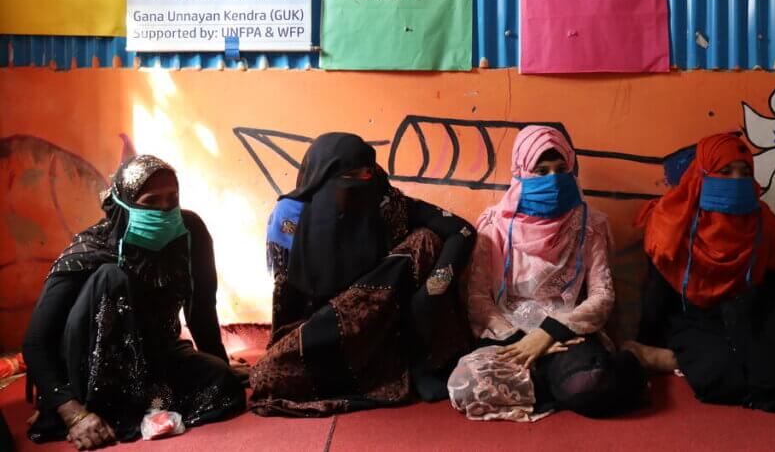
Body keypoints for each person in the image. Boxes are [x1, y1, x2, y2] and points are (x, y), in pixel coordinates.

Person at [622, 133, 775, 413]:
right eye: (725, 172)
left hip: (751, 316)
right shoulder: (672, 222)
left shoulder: (762, 223)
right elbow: (659, 290)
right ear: (702, 175)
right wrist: (644, 345)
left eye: (745, 172)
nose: (737, 181)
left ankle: (680, 361)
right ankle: (668, 358)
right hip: (696, 317)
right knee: (721, 374)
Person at [22, 156, 244, 449]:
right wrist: (71, 411)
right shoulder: (91, 249)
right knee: (111, 277)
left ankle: (142, 404)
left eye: (172, 199)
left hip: (155, 353)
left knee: (224, 386)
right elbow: (36, 342)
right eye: (151, 201)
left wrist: (220, 363)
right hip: (88, 369)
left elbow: (201, 311)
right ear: (124, 203)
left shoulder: (189, 233)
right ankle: (98, 409)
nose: (165, 210)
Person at [249, 132, 476, 416]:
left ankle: (418, 365)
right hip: (324, 328)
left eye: (367, 173)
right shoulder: (291, 217)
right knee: (265, 376)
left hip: (385, 330)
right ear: (320, 178)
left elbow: (462, 231)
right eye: (349, 177)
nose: (361, 183)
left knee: (425, 240)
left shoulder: (386, 204)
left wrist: (433, 290)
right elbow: (286, 297)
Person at [448, 125, 647, 422]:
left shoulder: (589, 225)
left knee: (590, 383)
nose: (554, 179)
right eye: (541, 171)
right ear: (521, 173)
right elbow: (479, 298)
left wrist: (547, 335)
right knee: (466, 385)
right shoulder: (495, 226)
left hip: (566, 332)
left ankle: (622, 364)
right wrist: (521, 340)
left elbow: (602, 296)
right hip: (509, 335)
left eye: (561, 169)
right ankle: (567, 385)